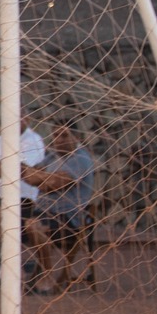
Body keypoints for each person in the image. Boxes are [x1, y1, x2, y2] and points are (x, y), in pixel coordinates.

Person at [22, 124, 95, 292]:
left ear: (76, 138)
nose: (58, 140)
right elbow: (27, 176)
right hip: (41, 211)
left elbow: (55, 184)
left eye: (64, 136)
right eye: (55, 136)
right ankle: (12, 270)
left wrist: (40, 178)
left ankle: (47, 274)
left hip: (68, 218)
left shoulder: (80, 159)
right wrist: (43, 178)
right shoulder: (52, 156)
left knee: (33, 225)